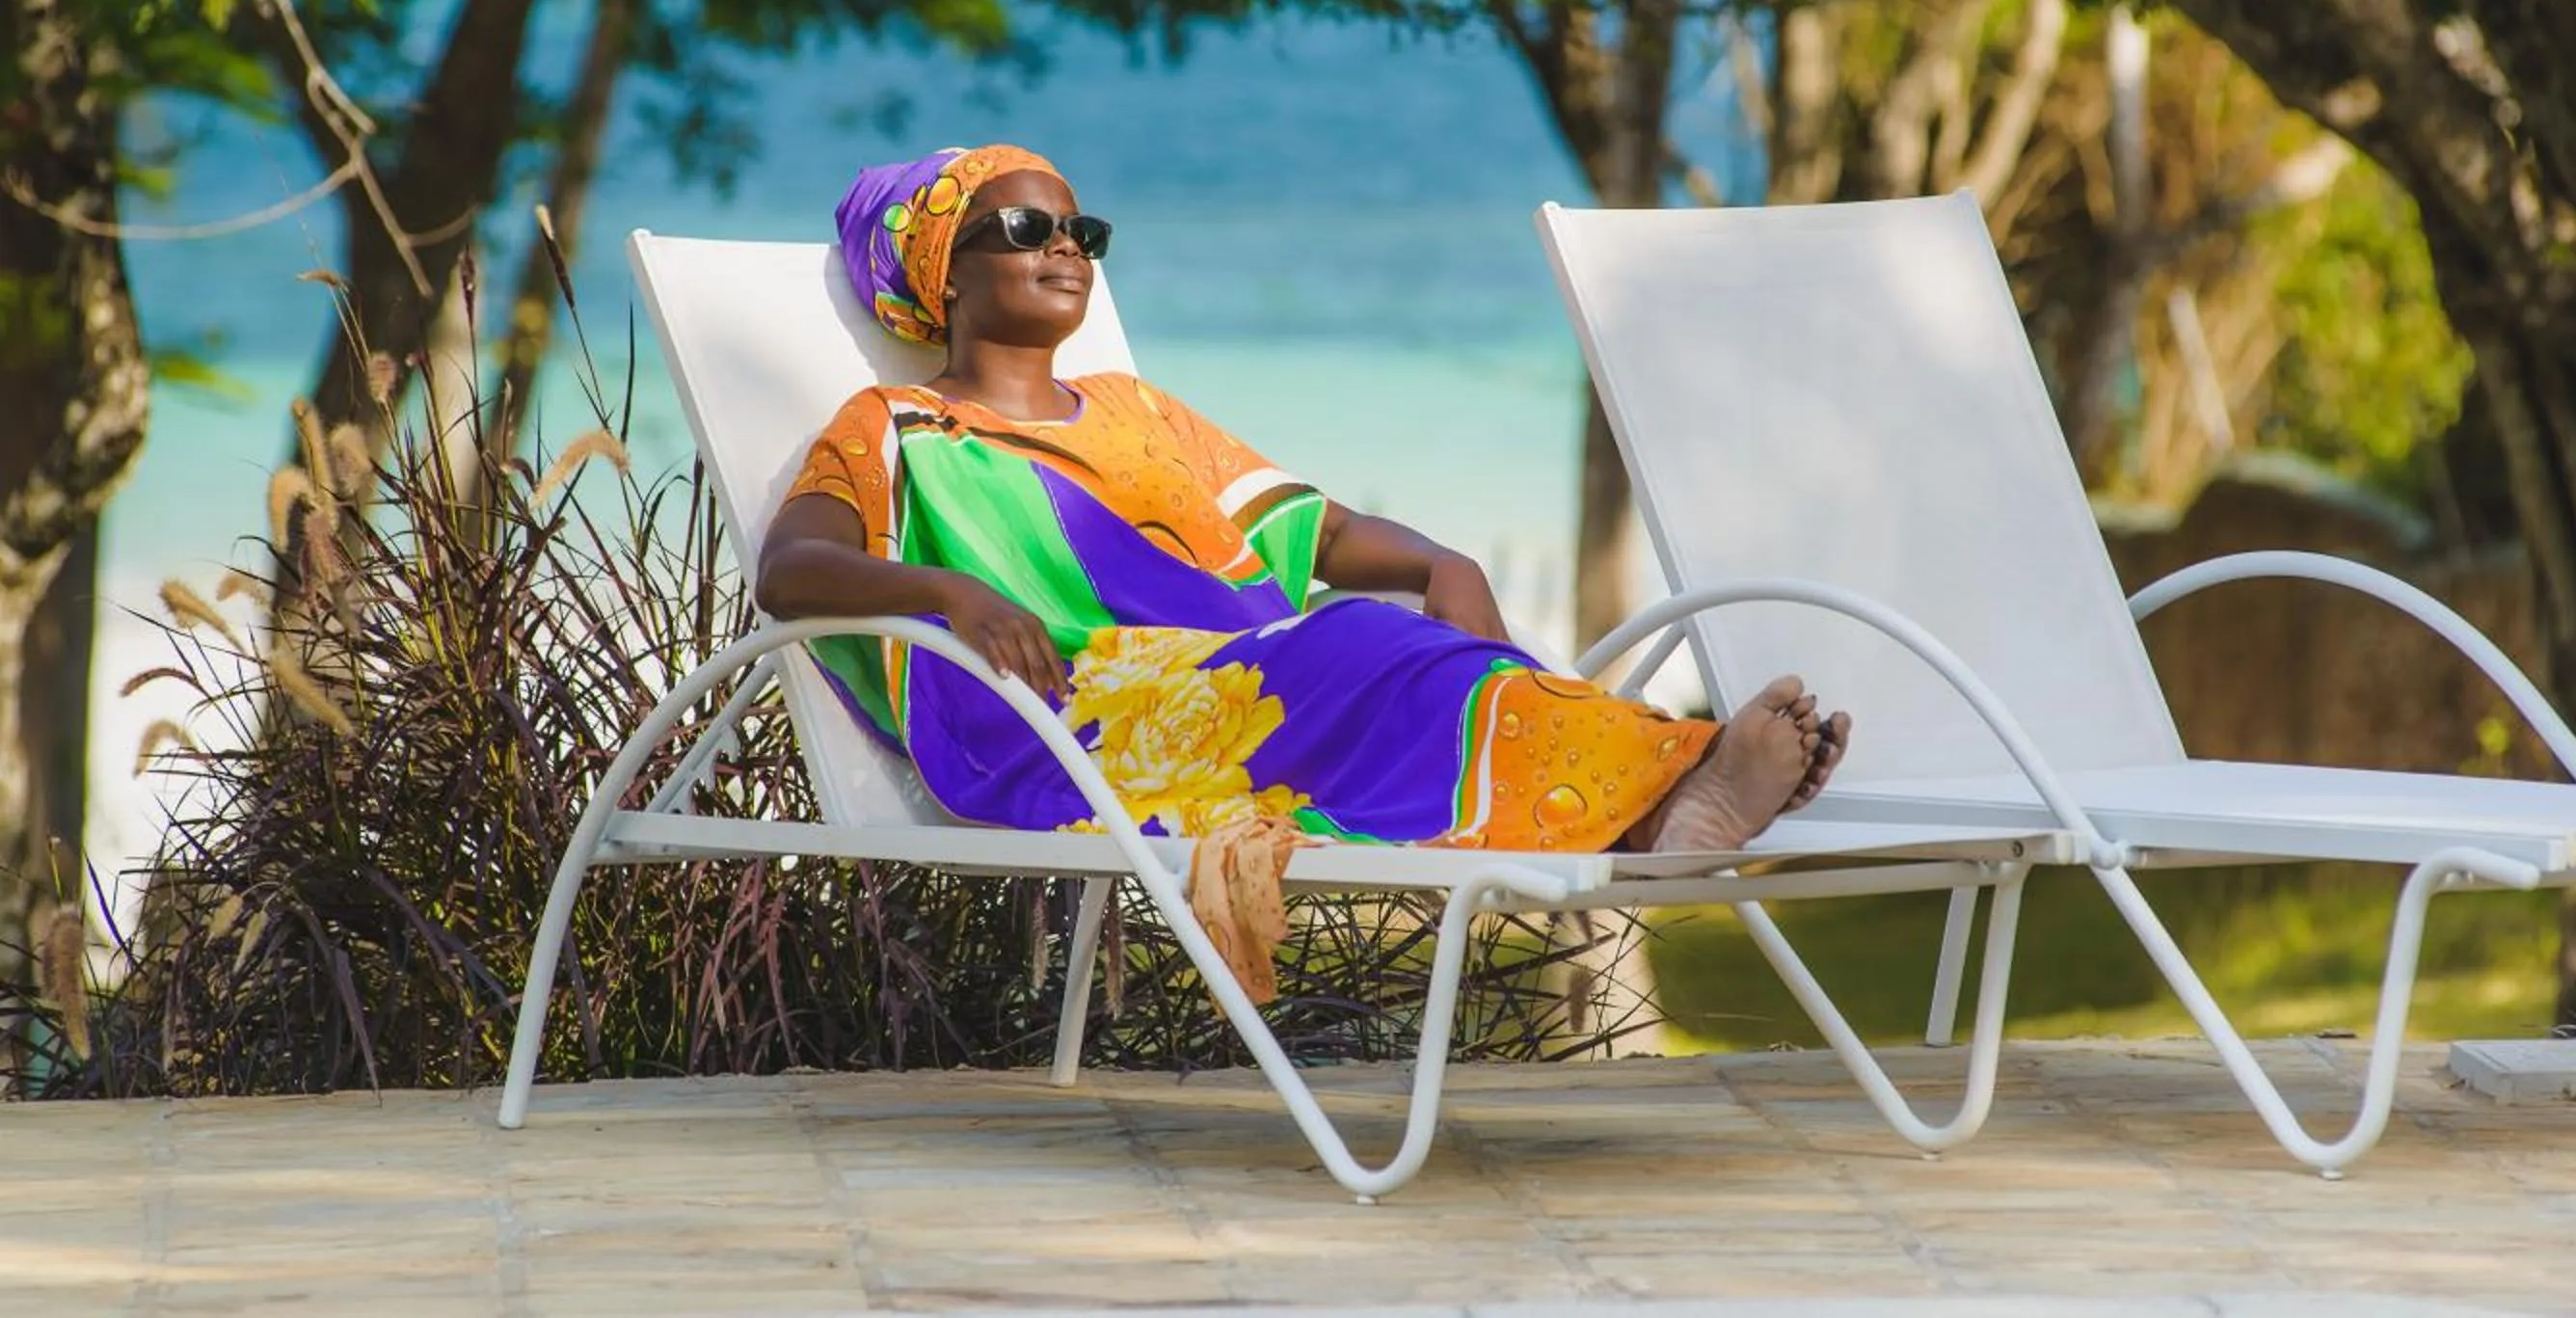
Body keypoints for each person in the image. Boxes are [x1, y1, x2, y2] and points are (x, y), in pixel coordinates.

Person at [754, 144, 1851, 873]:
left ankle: (1672, 796)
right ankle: (1671, 793)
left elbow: (1313, 529)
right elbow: (794, 565)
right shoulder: (895, 426)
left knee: (1409, 648)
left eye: (1081, 233)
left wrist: (1440, 560)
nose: (1064, 249)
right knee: (1367, 644)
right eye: (1027, 229)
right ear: (941, 274)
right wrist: (947, 591)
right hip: (1069, 722)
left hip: (1230, 677)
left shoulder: (1136, 411)